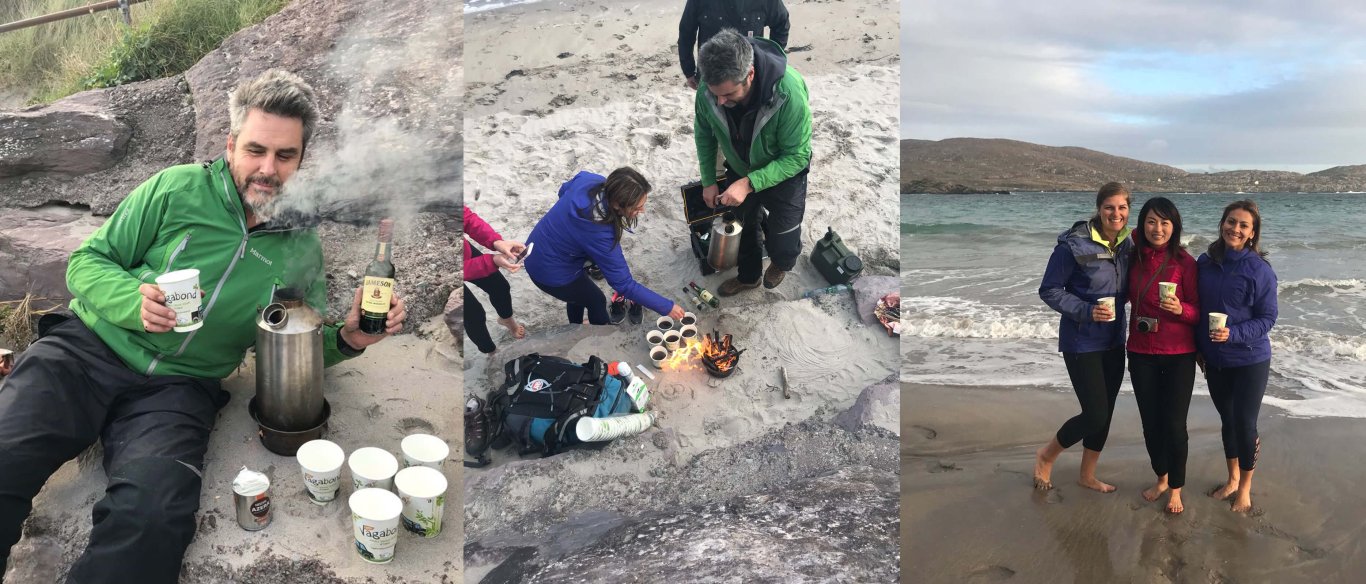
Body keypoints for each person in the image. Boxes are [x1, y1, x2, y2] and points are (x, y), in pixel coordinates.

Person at [0, 69, 407, 582]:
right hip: (83, 353)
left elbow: (297, 340)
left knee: (151, 520)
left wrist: (350, 339)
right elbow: (88, 261)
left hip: (178, 391)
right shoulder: (176, 189)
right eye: (256, 150)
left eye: (285, 156)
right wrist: (132, 300)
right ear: (231, 144)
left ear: (302, 159)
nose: (268, 168)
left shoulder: (300, 245)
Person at [1033, 182, 1134, 493]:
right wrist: (1087, 311)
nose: (1115, 213)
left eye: (1122, 208)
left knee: (1106, 413)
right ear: (1099, 209)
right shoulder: (1073, 246)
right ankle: (1046, 456)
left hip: (1115, 340)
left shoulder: (1128, 244)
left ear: (1128, 210)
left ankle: (1087, 475)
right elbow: (1049, 290)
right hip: (1081, 341)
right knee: (1095, 413)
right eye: (1109, 207)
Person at [695, 28, 811, 296]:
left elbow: (797, 156)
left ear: (750, 75)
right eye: (715, 94)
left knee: (784, 239)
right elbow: (704, 133)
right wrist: (709, 181)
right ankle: (749, 278)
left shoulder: (788, 93)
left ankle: (781, 264)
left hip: (784, 172)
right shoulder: (710, 87)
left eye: (728, 94)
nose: (720, 102)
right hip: (739, 166)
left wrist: (750, 183)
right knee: (743, 227)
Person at [524, 168, 686, 325]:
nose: (642, 210)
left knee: (579, 294)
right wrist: (667, 307)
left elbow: (564, 190)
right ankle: (598, 335)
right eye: (636, 207)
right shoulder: (599, 232)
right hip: (548, 271)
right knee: (596, 300)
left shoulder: (590, 180)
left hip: (536, 245)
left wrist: (569, 226)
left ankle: (576, 326)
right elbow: (623, 284)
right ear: (616, 205)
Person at [1196, 200, 1277, 513]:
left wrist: (1234, 334)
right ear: (1222, 223)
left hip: (1249, 360)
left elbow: (1268, 318)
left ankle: (1244, 487)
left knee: (1244, 424)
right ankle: (1231, 479)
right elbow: (1197, 309)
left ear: (1252, 233)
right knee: (1227, 422)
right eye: (1231, 222)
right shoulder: (1205, 262)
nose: (1236, 229)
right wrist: (1199, 349)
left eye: (1244, 225)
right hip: (1215, 361)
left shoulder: (1260, 270)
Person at [1125, 197, 1199, 514]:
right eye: (1151, 221)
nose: (1158, 228)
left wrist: (1182, 309)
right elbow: (1119, 233)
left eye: (1165, 222)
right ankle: (1162, 477)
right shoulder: (1133, 258)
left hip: (1179, 353)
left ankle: (1177, 489)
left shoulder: (1186, 263)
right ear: (1143, 225)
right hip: (1140, 351)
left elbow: (1199, 312)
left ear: (1174, 227)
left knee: (1174, 424)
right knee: (1150, 423)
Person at [678, 0, 790, 90]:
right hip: (711, 77)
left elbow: (781, 23)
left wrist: (770, 60)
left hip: (749, 76)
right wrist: (689, 70)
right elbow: (686, 32)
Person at [463, 206, 526, 354]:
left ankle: (506, 319)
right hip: (438, 272)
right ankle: (490, 351)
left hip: (461, 249)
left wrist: (497, 242)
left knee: (499, 286)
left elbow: (466, 218)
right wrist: (492, 262)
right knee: (473, 314)